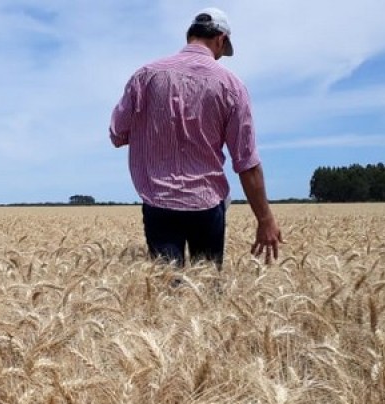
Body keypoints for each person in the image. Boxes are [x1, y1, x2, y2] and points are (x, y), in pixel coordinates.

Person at [109, 8, 282, 268]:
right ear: (220, 40)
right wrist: (265, 219)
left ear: (190, 35)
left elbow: (117, 134)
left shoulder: (145, 76)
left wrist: (153, 130)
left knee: (167, 293)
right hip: (207, 205)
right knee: (208, 290)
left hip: (159, 201)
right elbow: (246, 161)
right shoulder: (232, 86)